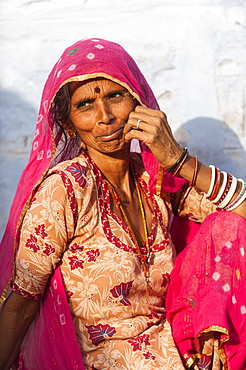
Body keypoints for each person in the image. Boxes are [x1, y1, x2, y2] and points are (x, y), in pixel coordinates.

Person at [0, 38, 245, 370]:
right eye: (86, 104)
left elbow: (239, 216)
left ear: (138, 102)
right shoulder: (66, 190)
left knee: (228, 226)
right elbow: (21, 304)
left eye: (115, 96)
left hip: (173, 356)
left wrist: (178, 161)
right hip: (102, 362)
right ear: (70, 125)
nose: (105, 116)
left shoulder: (153, 177)